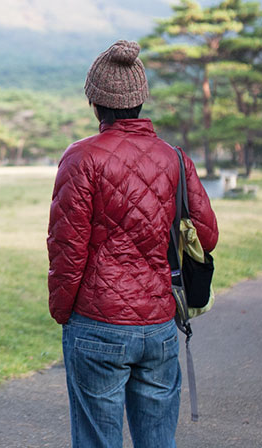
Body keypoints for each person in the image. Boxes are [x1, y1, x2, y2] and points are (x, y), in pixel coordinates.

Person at [46, 39, 218, 448]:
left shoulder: (81, 158)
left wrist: (62, 310)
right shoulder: (175, 158)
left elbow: (67, 247)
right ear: (141, 101)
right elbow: (207, 236)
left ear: (95, 103)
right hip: (158, 324)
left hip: (96, 323)